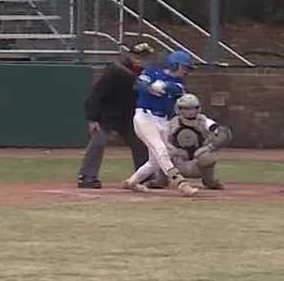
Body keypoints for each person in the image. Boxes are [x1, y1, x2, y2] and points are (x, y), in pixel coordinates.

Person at [119, 50, 199, 197]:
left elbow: (172, 89)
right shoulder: (151, 71)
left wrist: (161, 86)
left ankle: (131, 182)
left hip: (162, 120)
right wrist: (150, 87)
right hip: (144, 116)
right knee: (160, 148)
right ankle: (180, 182)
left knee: (155, 160)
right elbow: (139, 84)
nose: (186, 71)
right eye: (184, 67)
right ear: (174, 65)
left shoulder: (179, 84)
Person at [76, 43, 155, 189]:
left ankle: (145, 176)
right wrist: (92, 118)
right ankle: (87, 176)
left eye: (145, 57)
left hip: (129, 114)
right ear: (130, 55)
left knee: (140, 142)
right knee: (98, 142)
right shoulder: (115, 70)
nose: (140, 60)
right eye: (137, 56)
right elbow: (96, 94)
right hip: (107, 113)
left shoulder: (148, 73)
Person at [161, 93, 232, 190]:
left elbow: (223, 133)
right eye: (185, 108)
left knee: (207, 156)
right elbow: (160, 139)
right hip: (177, 163)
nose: (190, 112)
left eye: (193, 108)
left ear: (198, 109)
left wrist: (208, 148)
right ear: (179, 109)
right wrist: (174, 149)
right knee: (162, 153)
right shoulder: (172, 123)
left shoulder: (204, 121)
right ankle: (160, 180)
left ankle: (209, 181)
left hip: (198, 163)